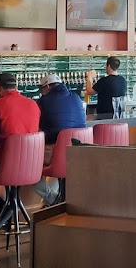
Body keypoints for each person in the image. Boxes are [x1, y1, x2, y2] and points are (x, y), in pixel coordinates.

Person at [0, 72, 40, 230]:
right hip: (32, 165)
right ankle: (8, 207)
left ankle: (3, 206)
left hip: (6, 164)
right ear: (16, 86)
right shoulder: (33, 104)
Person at [35, 74, 86, 206]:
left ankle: (52, 199)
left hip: (56, 153)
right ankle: (56, 200)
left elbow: (37, 126)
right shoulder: (76, 97)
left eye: (41, 90)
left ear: (47, 87)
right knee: (58, 166)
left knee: (26, 164)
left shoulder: (43, 102)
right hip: (79, 154)